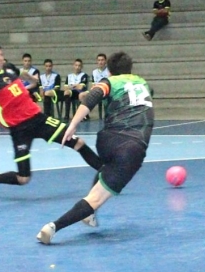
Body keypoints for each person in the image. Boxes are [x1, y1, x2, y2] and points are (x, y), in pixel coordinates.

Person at [37, 51, 154, 244]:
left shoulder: (109, 82)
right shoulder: (142, 83)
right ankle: (53, 227)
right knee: (96, 199)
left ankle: (88, 215)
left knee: (107, 167)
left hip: (106, 140)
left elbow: (90, 99)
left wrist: (72, 125)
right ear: (130, 69)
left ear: (108, 71)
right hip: (131, 148)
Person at [0, 43, 102, 193]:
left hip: (38, 119)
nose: (1, 58)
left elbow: (21, 74)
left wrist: (32, 81)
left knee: (78, 143)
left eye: (1, 54)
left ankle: (106, 174)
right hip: (19, 130)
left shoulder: (9, 67)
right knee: (23, 179)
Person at [84, 53, 109, 119]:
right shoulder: (94, 72)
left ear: (105, 61)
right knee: (82, 95)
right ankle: (86, 115)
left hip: (107, 91)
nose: (100, 62)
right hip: (97, 90)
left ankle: (108, 115)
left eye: (102, 60)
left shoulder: (109, 71)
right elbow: (93, 84)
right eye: (99, 60)